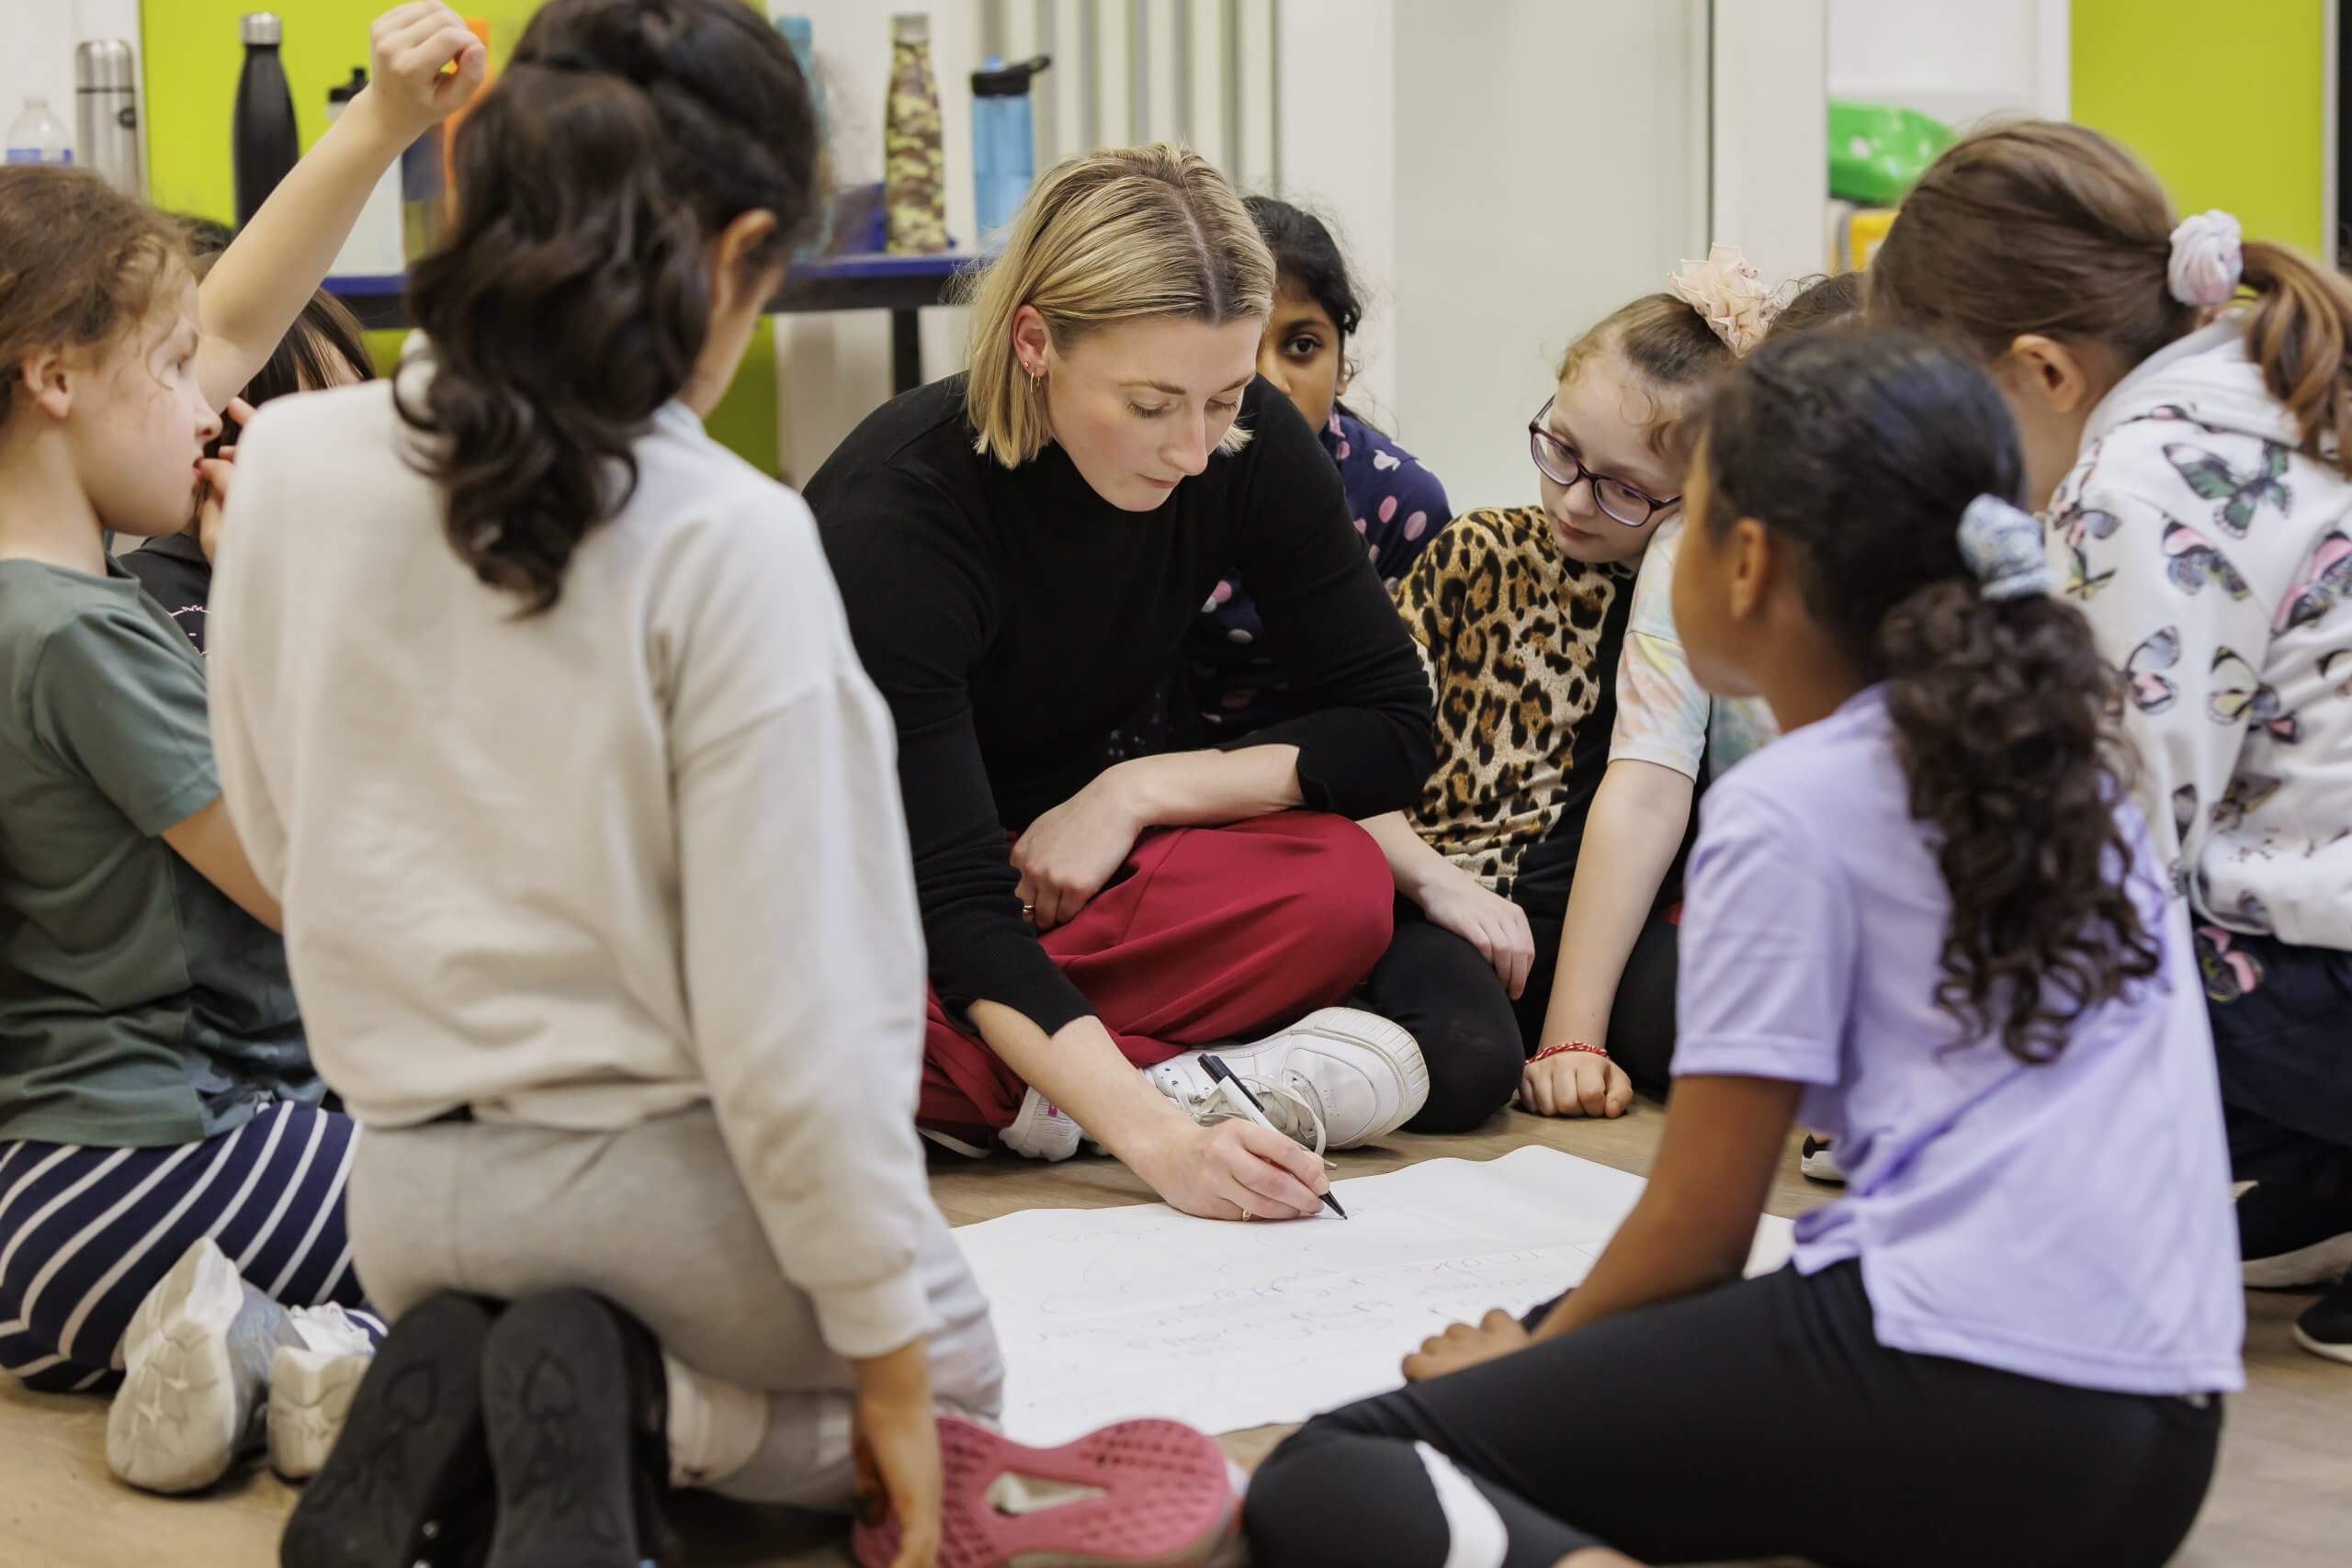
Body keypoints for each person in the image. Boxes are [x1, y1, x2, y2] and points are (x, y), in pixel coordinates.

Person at [210, 6, 1239, 1564]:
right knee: (953, 1386)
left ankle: (470, 1377)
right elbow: (801, 1025)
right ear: (746, 250)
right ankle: (644, 1407)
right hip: (676, 1208)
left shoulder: (285, 469)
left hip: (409, 1193)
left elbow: (285, 846)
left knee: (730, 1328)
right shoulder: (731, 534)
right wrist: (897, 1370)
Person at [1243, 325, 2243, 1568]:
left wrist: (1531, 1367)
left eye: (1685, 517)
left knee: (1344, 1469)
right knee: (1587, 1328)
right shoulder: (2069, 762)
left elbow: (1700, 1228)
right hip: (2163, 1432)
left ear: (1749, 561)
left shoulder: (1795, 799)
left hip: (1975, 1387)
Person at [0, 1, 482, 1495]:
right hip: (152, 1180)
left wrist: (375, 125)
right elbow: (313, 887)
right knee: (577, 1191)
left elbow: (224, 328)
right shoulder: (74, 635)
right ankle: (313, 1353)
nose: (212, 400)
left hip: (51, 1219)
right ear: (56, 378)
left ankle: (268, 1346)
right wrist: (296, 591)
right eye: (168, 372)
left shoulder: (35, 601)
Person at [804, 144, 1439, 1220]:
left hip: (1050, 893)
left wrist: (1135, 793)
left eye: (1224, 396)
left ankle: (1015, 1089)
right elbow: (951, 905)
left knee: (1337, 886)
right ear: (1036, 339)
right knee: (805, 1009)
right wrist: (1159, 1145)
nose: (1194, 449)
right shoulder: (900, 523)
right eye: (1150, 406)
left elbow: (1392, 728)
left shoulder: (1245, 441)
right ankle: (1131, 1086)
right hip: (864, 896)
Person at [1870, 119, 2352, 1362]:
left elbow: (2118, 834)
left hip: (2326, 972)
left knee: (2038, 945)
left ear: (2041, 370)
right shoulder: (2278, 389)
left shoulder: (2140, 481)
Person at [1351, 250, 1762, 1127]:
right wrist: (1435, 887)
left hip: (1607, 931)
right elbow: (1356, 755)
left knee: (1725, 1033)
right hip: (1445, 902)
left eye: (1624, 490)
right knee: (1464, 1063)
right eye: (1562, 452)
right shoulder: (1477, 555)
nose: (1575, 502)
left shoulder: (1702, 598)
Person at [1527, 269, 1862, 1125]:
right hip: (1761, 918)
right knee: (1682, 1022)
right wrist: (1572, 1037)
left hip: (1913, 934)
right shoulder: (1696, 546)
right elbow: (1646, 783)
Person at [1185, 196, 1453, 740]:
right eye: (1240, 348)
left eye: (1302, 346)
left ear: (1343, 366)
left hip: (1331, 780)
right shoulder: (1150, 476)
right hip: (1144, 774)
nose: (1267, 383)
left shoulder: (1401, 504)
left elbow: (1407, 717)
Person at [121, 265, 376, 652]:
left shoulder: (385, 562)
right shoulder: (145, 603)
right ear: (223, 436)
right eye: (314, 416)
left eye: (360, 407)